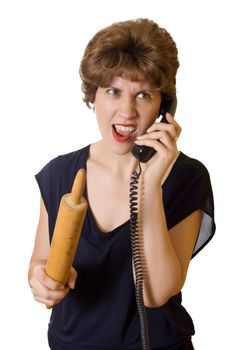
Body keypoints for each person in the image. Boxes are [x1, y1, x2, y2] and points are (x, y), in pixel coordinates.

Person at [28, 18, 215, 350]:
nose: (127, 111)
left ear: (164, 107)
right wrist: (41, 280)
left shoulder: (187, 178)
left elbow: (155, 293)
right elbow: (39, 263)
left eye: (143, 94)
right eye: (113, 91)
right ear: (94, 96)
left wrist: (151, 186)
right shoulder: (58, 174)